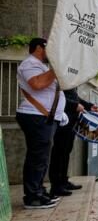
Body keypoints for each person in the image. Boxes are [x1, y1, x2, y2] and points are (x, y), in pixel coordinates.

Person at [16, 38, 67, 209]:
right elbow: (37, 83)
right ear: (39, 47)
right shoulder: (29, 64)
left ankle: (37, 190)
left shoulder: (41, 66)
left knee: (41, 157)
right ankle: (32, 197)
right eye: (49, 48)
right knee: (37, 158)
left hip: (43, 117)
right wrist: (57, 68)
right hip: (36, 116)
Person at [49, 88, 98, 196]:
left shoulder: (70, 80)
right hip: (62, 119)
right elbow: (55, 96)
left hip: (71, 120)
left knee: (66, 151)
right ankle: (56, 185)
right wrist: (74, 106)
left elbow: (75, 97)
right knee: (59, 152)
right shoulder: (60, 77)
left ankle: (63, 181)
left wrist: (88, 105)